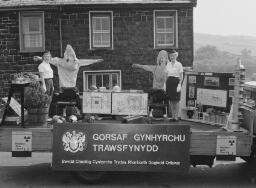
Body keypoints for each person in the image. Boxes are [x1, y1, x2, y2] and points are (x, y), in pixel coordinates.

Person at [165, 49, 183, 122]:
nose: (172, 57)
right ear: (169, 56)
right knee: (171, 101)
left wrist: (179, 85)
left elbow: (181, 76)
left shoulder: (179, 64)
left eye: (173, 55)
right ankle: (172, 117)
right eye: (171, 56)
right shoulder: (168, 64)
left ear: (176, 55)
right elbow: (166, 75)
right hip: (169, 82)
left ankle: (176, 117)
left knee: (176, 100)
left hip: (176, 82)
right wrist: (165, 84)